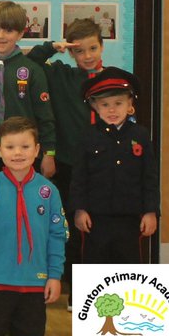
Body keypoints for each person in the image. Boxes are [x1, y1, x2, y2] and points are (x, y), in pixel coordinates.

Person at [0, 117, 67, 336]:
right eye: (10, 147)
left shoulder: (48, 190)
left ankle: (10, 318)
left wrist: (54, 276)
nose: (17, 153)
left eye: (25, 146)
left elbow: (57, 235)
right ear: (0, 150)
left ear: (37, 149)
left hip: (34, 280)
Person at [25, 16, 106, 291]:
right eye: (79, 50)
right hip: (69, 163)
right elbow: (29, 64)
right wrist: (52, 46)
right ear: (71, 52)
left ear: (102, 47)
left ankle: (99, 282)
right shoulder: (61, 75)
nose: (87, 56)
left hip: (104, 166)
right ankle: (72, 283)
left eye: (92, 48)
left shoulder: (113, 79)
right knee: (69, 225)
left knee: (100, 223)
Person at [70, 68, 159, 265]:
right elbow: (79, 177)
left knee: (128, 268)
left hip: (130, 218)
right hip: (95, 218)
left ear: (130, 104)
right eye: (105, 104)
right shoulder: (88, 136)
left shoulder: (141, 135)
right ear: (94, 106)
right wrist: (79, 209)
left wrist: (151, 211)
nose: (112, 110)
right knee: (93, 266)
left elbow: (150, 177)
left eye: (118, 103)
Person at [0, 0, 56, 178]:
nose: (0, 35)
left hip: (26, 155)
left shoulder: (33, 70)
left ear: (21, 33)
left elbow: (45, 116)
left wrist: (49, 153)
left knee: (26, 203)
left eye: (8, 30)